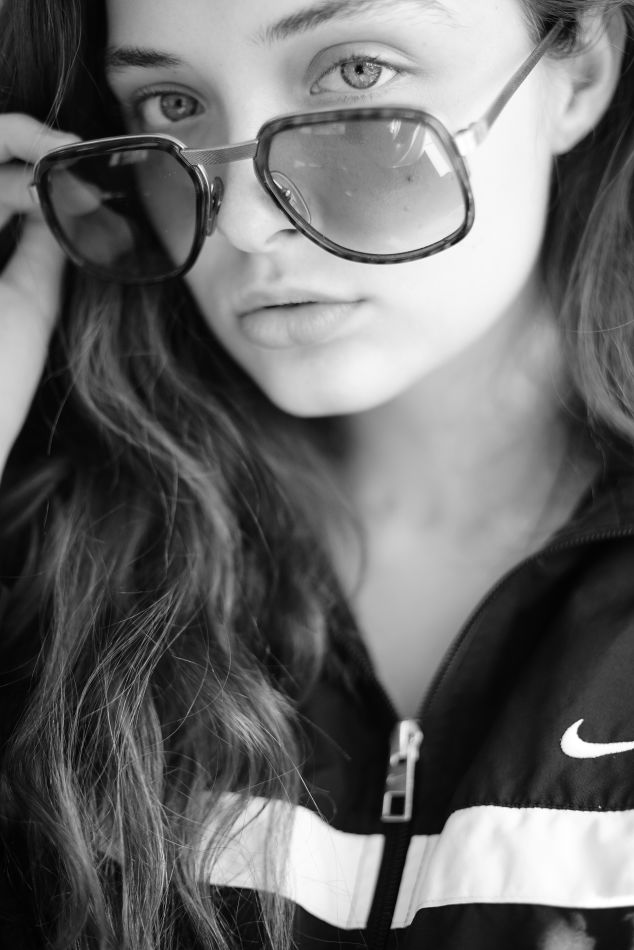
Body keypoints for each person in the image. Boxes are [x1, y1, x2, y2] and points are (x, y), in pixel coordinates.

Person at [0, 0, 633, 947]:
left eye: (356, 74)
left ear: (576, 72)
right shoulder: (50, 577)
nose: (245, 223)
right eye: (173, 104)